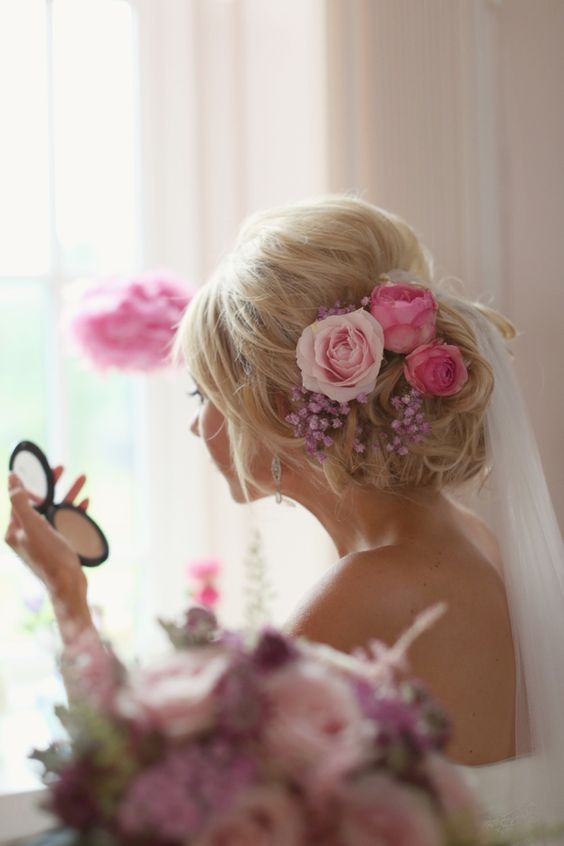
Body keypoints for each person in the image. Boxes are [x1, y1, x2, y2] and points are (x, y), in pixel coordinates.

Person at [6, 197, 564, 837]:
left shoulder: (365, 593)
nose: (194, 422)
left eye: (202, 393)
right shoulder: (468, 537)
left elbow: (152, 808)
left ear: (273, 406)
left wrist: (67, 594)